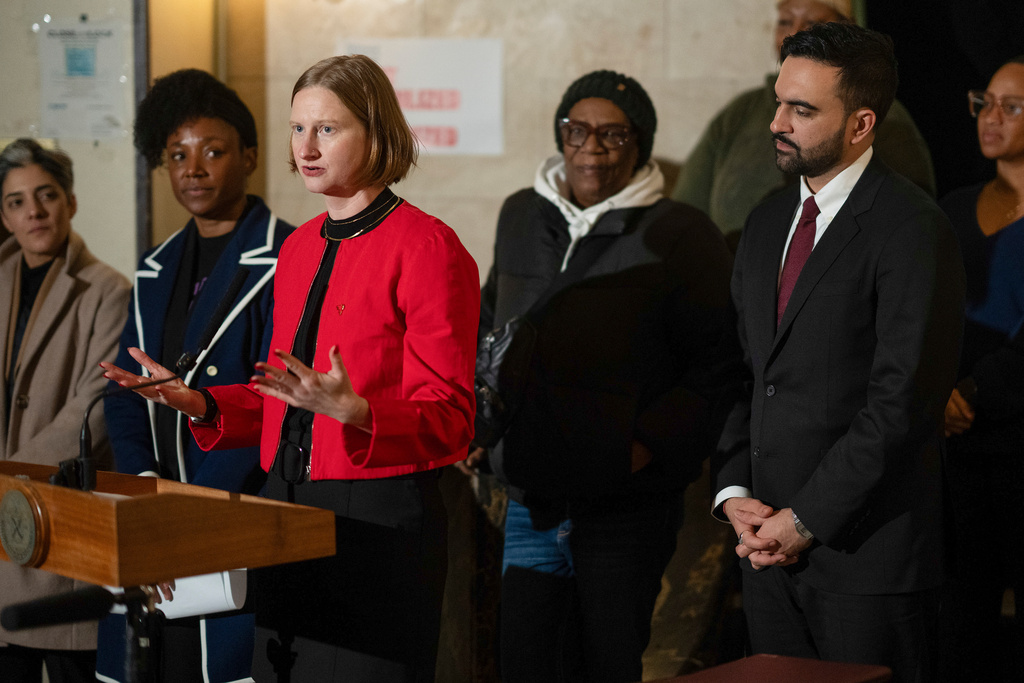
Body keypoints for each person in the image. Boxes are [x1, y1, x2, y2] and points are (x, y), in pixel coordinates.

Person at [100, 54, 479, 682]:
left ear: (377, 134)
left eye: (327, 129)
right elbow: (283, 397)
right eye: (298, 129)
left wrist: (356, 412)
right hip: (286, 511)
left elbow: (453, 419)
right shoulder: (299, 247)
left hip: (377, 517)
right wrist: (203, 403)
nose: (306, 147)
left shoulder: (428, 245)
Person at [711, 22, 965, 683]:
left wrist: (807, 518)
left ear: (860, 124)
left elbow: (901, 405)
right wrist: (735, 492)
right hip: (763, 552)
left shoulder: (912, 227)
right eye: (778, 101)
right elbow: (746, 375)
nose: (777, 122)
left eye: (802, 109)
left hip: (867, 562)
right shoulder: (766, 222)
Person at [470, 69, 739, 683]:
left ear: (639, 144)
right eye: (577, 130)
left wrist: (644, 448)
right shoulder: (521, 214)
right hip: (532, 496)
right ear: (560, 135)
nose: (591, 148)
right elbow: (491, 328)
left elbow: (716, 366)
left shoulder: (682, 234)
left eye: (613, 136)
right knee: (527, 662)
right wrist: (480, 426)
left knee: (608, 662)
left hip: (624, 506)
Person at [92, 69, 295, 683]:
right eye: (176, 155)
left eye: (213, 150)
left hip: (235, 513)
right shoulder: (154, 267)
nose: (193, 168)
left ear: (251, 156)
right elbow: (123, 392)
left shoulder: (287, 257)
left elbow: (273, 398)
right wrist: (147, 489)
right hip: (155, 519)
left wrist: (189, 512)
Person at [0, 139, 131, 682]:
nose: (33, 211)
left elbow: (94, 409)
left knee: (68, 664)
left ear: (71, 202)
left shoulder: (110, 290)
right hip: (4, 525)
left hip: (57, 514)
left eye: (46, 194)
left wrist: (10, 476)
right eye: (15, 201)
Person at [672, 0, 936, 249]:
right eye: (785, 22)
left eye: (811, 23)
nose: (793, 34)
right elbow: (684, 218)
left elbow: (910, 221)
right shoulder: (740, 113)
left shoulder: (887, 122)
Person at [938, 56, 1024, 683]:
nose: (991, 117)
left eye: (1012, 105)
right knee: (961, 618)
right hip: (956, 445)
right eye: (985, 101)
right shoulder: (952, 208)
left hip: (1016, 436)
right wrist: (936, 391)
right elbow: (924, 316)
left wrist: (972, 390)